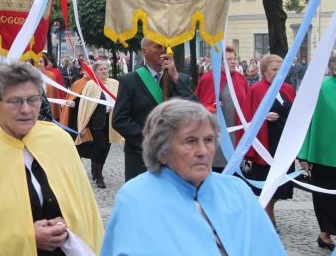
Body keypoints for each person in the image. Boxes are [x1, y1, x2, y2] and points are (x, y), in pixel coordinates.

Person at [0, 62, 104, 256]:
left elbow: (86, 211)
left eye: (33, 99)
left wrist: (67, 223)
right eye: (15, 101)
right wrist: (26, 237)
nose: (26, 109)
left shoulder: (58, 140)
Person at [98, 99, 290, 256]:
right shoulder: (137, 196)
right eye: (190, 141)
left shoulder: (236, 190)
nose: (203, 151)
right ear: (161, 150)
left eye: (208, 140)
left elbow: (268, 252)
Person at [112, 37, 196, 182]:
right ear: (144, 52)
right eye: (158, 47)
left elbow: (195, 111)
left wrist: (175, 77)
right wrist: (150, 141)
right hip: (140, 155)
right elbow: (120, 120)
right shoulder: (129, 81)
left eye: (166, 47)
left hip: (174, 155)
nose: (164, 51)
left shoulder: (180, 79)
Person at [242, 53, 296, 226]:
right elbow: (247, 116)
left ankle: (267, 212)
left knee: (281, 186)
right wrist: (263, 117)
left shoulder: (287, 89)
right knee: (266, 183)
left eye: (281, 69)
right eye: (274, 69)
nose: (277, 73)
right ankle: (267, 216)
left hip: (283, 143)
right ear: (264, 71)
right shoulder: (256, 90)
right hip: (266, 143)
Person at [298, 61, 336, 251]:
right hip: (324, 154)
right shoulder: (323, 89)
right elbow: (310, 120)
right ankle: (325, 233)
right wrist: (305, 154)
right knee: (324, 194)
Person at [194, 45, 248, 172]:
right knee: (215, 169)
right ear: (219, 62)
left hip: (236, 133)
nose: (234, 62)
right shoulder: (208, 78)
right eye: (229, 59)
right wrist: (210, 107)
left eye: (235, 59)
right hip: (215, 134)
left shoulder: (241, 80)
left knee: (234, 170)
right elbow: (197, 106)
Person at [76, 61, 122, 188]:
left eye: (105, 69)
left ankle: (96, 169)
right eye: (101, 69)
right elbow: (85, 106)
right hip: (96, 121)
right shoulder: (91, 85)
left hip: (111, 121)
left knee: (106, 147)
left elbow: (120, 99)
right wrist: (84, 125)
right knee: (100, 146)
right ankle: (99, 176)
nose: (104, 71)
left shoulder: (115, 83)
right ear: (95, 72)